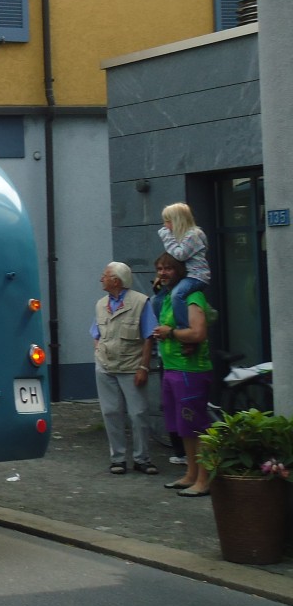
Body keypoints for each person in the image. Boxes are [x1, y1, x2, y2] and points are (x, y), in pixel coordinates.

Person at [152, 252, 214, 497]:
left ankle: (205, 479)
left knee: (197, 426)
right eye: (159, 269)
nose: (163, 273)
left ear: (179, 270)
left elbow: (198, 333)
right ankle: (191, 473)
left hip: (191, 370)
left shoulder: (192, 296)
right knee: (183, 427)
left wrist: (170, 333)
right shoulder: (167, 297)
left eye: (168, 268)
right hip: (172, 368)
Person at [91, 262, 159, 476]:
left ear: (116, 281)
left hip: (131, 367)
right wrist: (100, 353)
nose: (101, 278)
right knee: (111, 412)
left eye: (105, 275)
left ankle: (142, 458)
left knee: (138, 413)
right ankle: (118, 458)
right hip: (105, 367)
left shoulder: (140, 302)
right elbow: (96, 333)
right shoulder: (101, 304)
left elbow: (149, 337)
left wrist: (143, 367)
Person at [153, 202, 211, 331]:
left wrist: (167, 237)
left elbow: (180, 255)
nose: (165, 226)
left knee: (176, 295)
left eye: (167, 222)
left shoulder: (194, 235)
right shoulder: (180, 237)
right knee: (157, 299)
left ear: (177, 221)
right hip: (185, 276)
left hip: (197, 276)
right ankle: (159, 326)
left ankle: (183, 328)